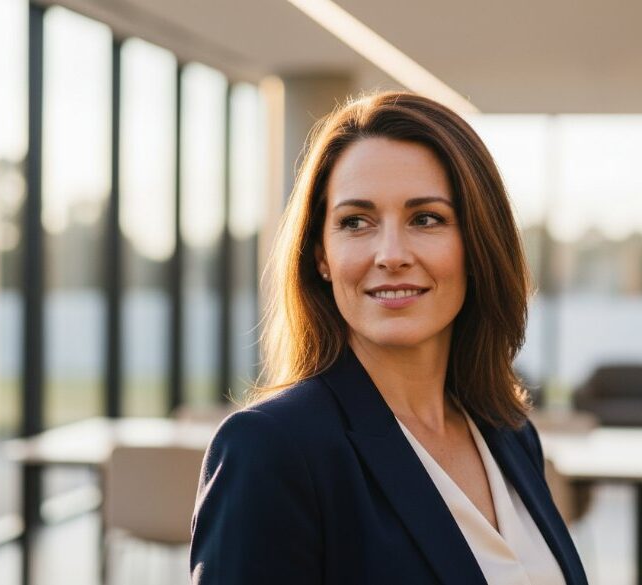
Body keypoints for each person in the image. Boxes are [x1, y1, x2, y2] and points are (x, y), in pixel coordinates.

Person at [190, 91, 588, 585]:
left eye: (426, 219)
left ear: (478, 243)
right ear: (322, 256)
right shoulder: (272, 449)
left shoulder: (509, 434)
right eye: (356, 222)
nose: (391, 254)